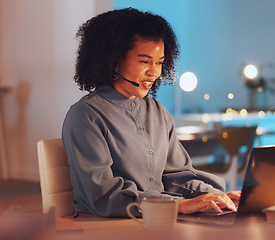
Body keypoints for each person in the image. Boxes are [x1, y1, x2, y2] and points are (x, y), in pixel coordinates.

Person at [62, 8, 240, 218]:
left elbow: (177, 176)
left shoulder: (157, 111)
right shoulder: (86, 115)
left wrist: (217, 196)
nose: (154, 72)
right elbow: (103, 196)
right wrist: (176, 205)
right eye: (144, 61)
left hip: (156, 218)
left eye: (159, 62)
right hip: (107, 224)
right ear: (114, 59)